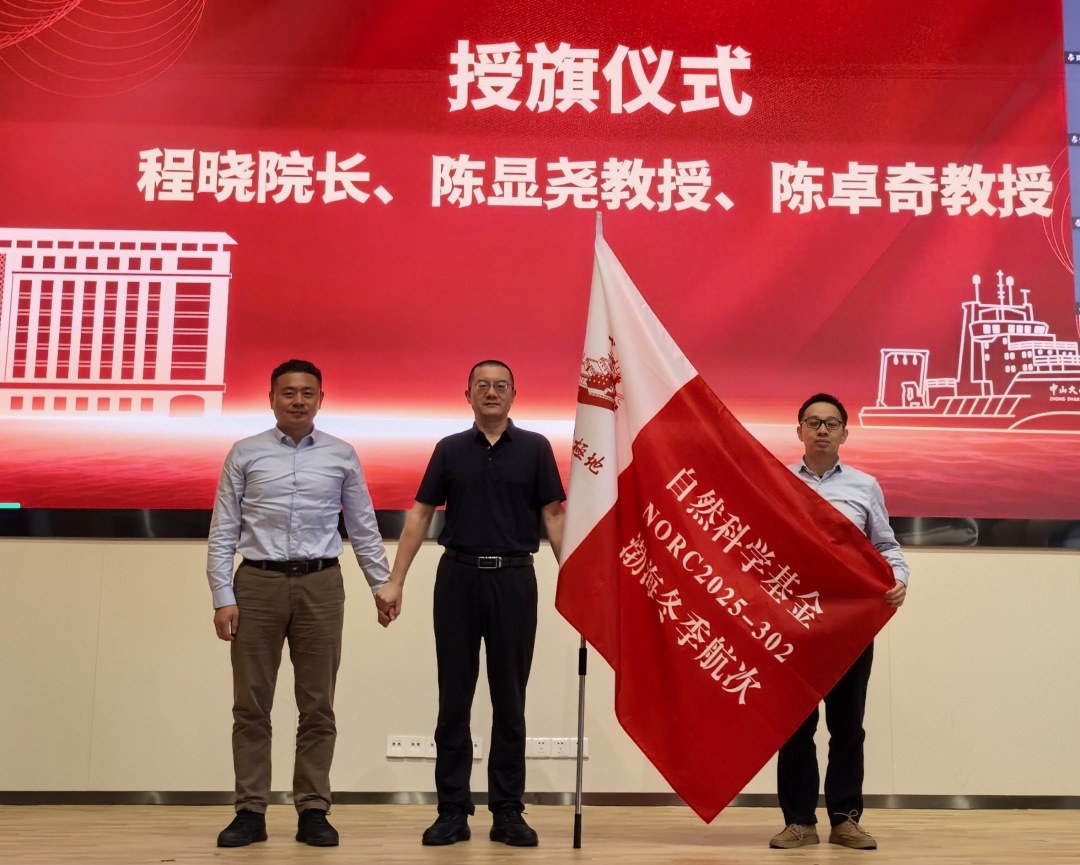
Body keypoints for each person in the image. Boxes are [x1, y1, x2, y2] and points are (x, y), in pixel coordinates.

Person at [376, 360, 565, 848]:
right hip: (457, 578)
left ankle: (508, 811)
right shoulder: (449, 449)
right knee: (454, 698)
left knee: (511, 700)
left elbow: (553, 516)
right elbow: (420, 516)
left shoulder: (536, 448)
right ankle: (452, 810)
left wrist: (577, 581)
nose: (491, 392)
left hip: (515, 579)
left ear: (514, 394)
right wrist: (395, 581)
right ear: (468, 395)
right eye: (482, 385)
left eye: (501, 385)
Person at [206, 359, 392, 849]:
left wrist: (382, 585)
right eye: (288, 392)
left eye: (307, 393)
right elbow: (223, 531)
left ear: (321, 399)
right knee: (251, 705)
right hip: (256, 586)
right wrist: (222, 596)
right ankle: (250, 810)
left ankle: (313, 809)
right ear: (271, 398)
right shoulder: (244, 453)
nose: (297, 400)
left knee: (318, 705)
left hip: (321, 585)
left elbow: (363, 527)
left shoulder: (341, 455)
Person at [769, 392, 909, 852]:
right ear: (800, 431)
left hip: (849, 627)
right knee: (795, 725)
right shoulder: (777, 483)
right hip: (795, 623)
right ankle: (798, 822)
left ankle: (846, 819)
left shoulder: (864, 486)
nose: (822, 430)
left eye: (831, 423)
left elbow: (885, 547)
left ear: (845, 433)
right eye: (813, 422)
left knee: (848, 726)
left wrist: (899, 579)